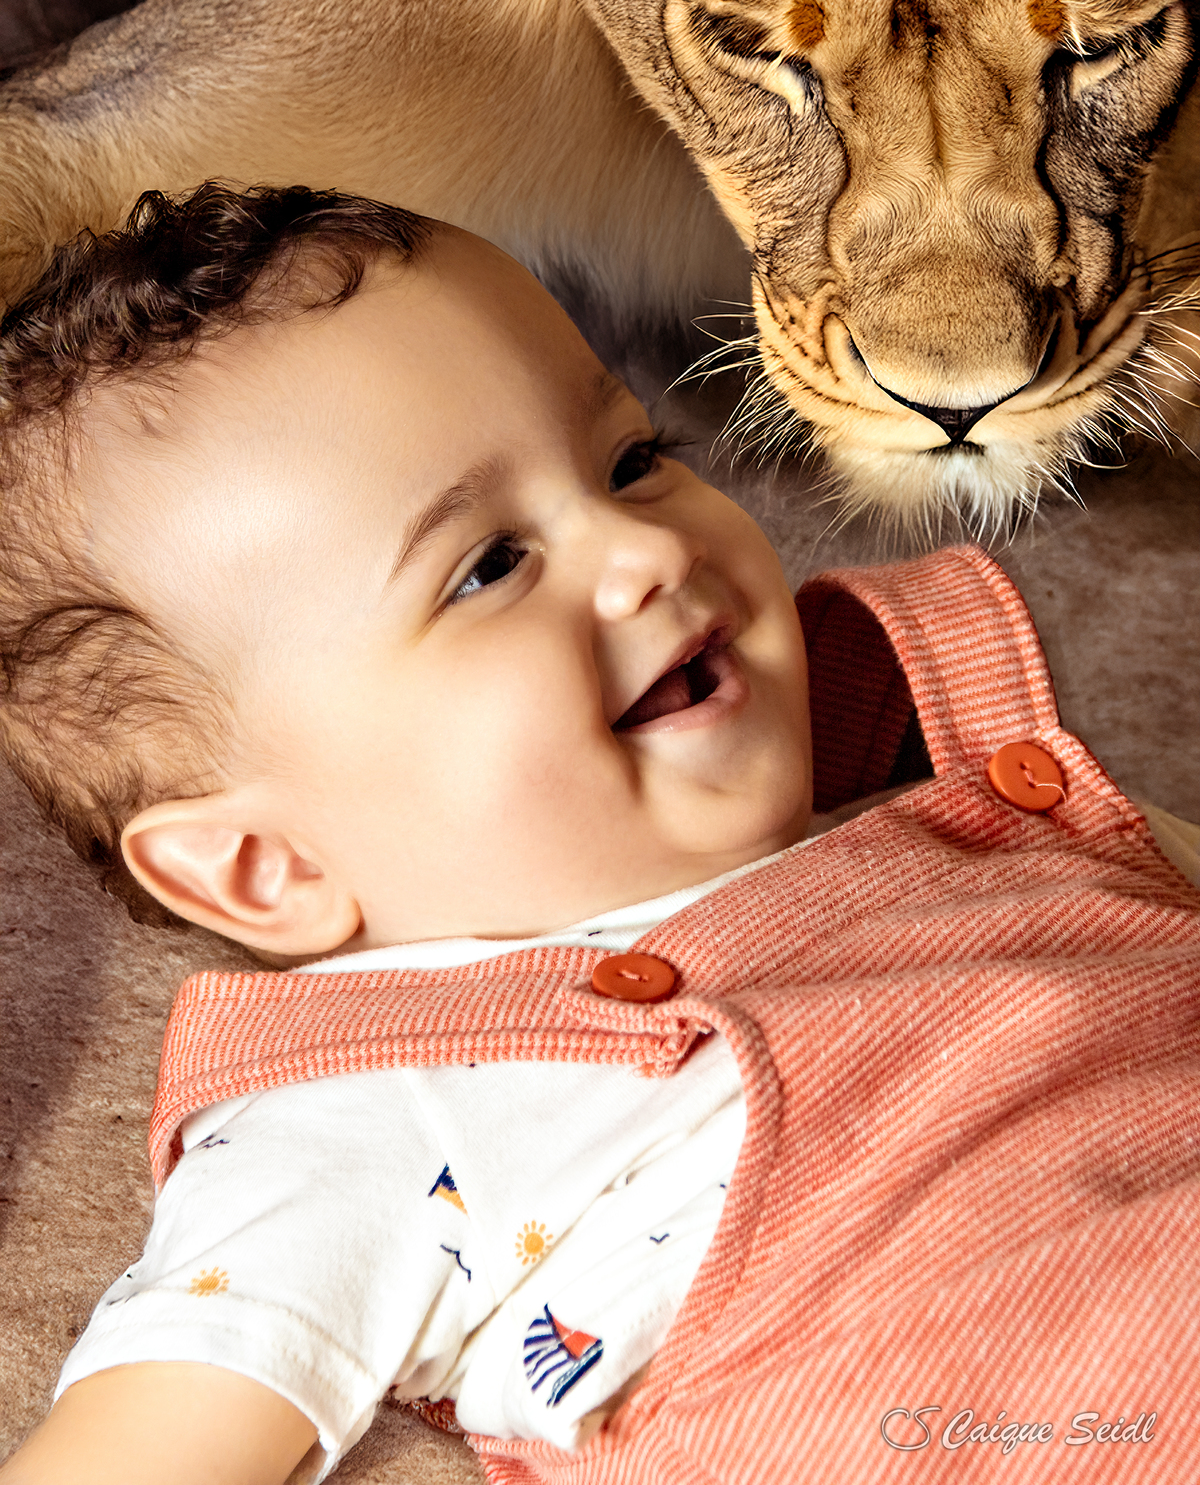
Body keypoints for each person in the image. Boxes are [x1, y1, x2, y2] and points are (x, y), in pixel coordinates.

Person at [1, 185, 1198, 1485]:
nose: (642, 551)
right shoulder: (374, 1112)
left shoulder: (970, 779)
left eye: (631, 460)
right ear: (266, 869)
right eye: (488, 567)